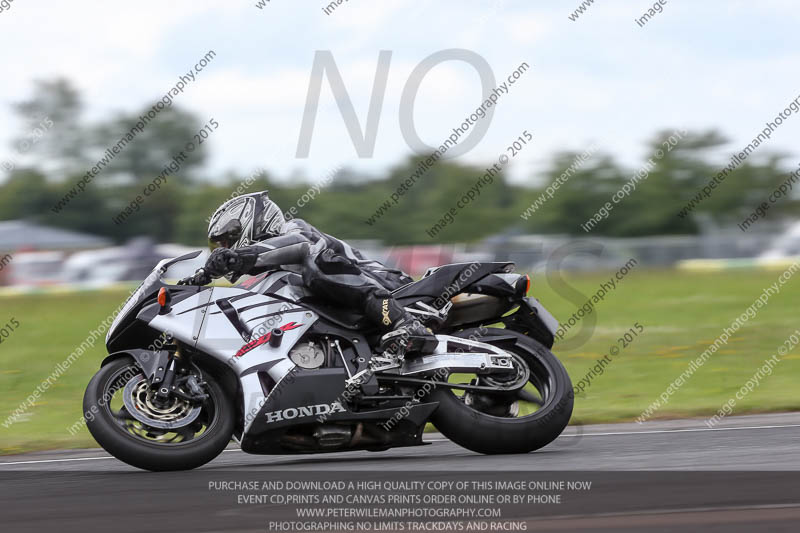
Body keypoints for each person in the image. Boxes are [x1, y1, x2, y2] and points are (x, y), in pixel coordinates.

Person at [180, 191, 432, 353]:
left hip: (393, 288)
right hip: (355, 319)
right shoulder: (273, 268)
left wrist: (239, 257)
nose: (224, 248)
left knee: (316, 265)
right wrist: (202, 278)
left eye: (226, 241)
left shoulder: (294, 230)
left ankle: (403, 323)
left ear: (248, 224)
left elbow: (298, 246)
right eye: (220, 246)